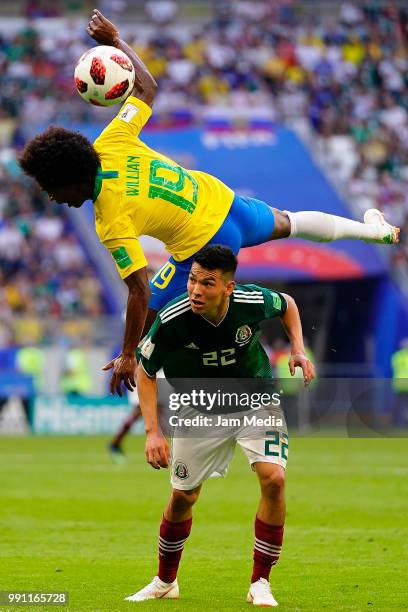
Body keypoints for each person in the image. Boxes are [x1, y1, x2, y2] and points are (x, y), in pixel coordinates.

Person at [19, 9, 398, 397]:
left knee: (146, 319)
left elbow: (139, 290)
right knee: (290, 222)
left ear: (72, 179)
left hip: (202, 245)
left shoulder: (110, 221)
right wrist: (116, 42)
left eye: (53, 188)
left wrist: (127, 353)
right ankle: (372, 230)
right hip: (223, 202)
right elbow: (147, 88)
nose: (52, 197)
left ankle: (182, 397)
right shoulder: (111, 140)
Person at [125, 245, 315, 606]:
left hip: (255, 400)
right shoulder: (173, 319)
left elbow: (287, 302)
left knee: (274, 479)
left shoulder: (250, 300)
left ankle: (260, 581)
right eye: (193, 280)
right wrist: (153, 432)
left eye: (207, 283)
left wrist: (298, 349)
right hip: (198, 409)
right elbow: (146, 372)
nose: (195, 290)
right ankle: (165, 580)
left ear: (228, 287)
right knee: (183, 497)